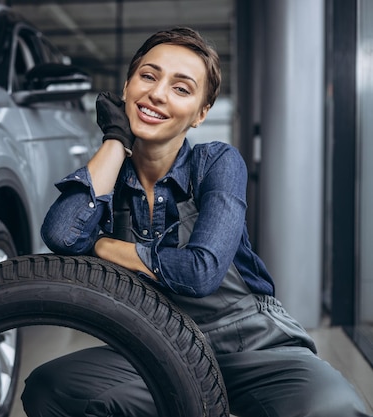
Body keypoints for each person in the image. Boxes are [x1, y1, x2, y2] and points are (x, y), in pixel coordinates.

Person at [20, 27, 371, 417]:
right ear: (127, 87)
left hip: (251, 346)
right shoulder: (108, 174)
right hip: (158, 345)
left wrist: (100, 245)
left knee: (334, 407)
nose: (157, 94)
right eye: (148, 77)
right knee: (52, 387)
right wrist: (116, 139)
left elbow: (200, 273)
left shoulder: (216, 163)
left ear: (202, 113)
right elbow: (60, 234)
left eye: (181, 88)